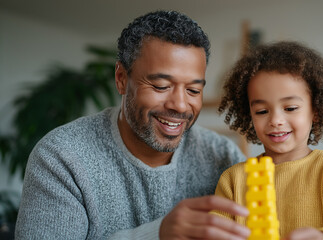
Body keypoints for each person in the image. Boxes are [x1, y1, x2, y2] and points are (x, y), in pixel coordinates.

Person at [15, 10, 251, 240]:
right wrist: (156, 235)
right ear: (121, 79)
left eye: (193, 90)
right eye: (160, 86)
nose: (180, 105)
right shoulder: (61, 158)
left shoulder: (223, 156)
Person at [215, 41, 323, 240]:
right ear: (249, 115)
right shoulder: (233, 179)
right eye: (261, 111)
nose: (275, 120)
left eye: (290, 108)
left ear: (316, 111)